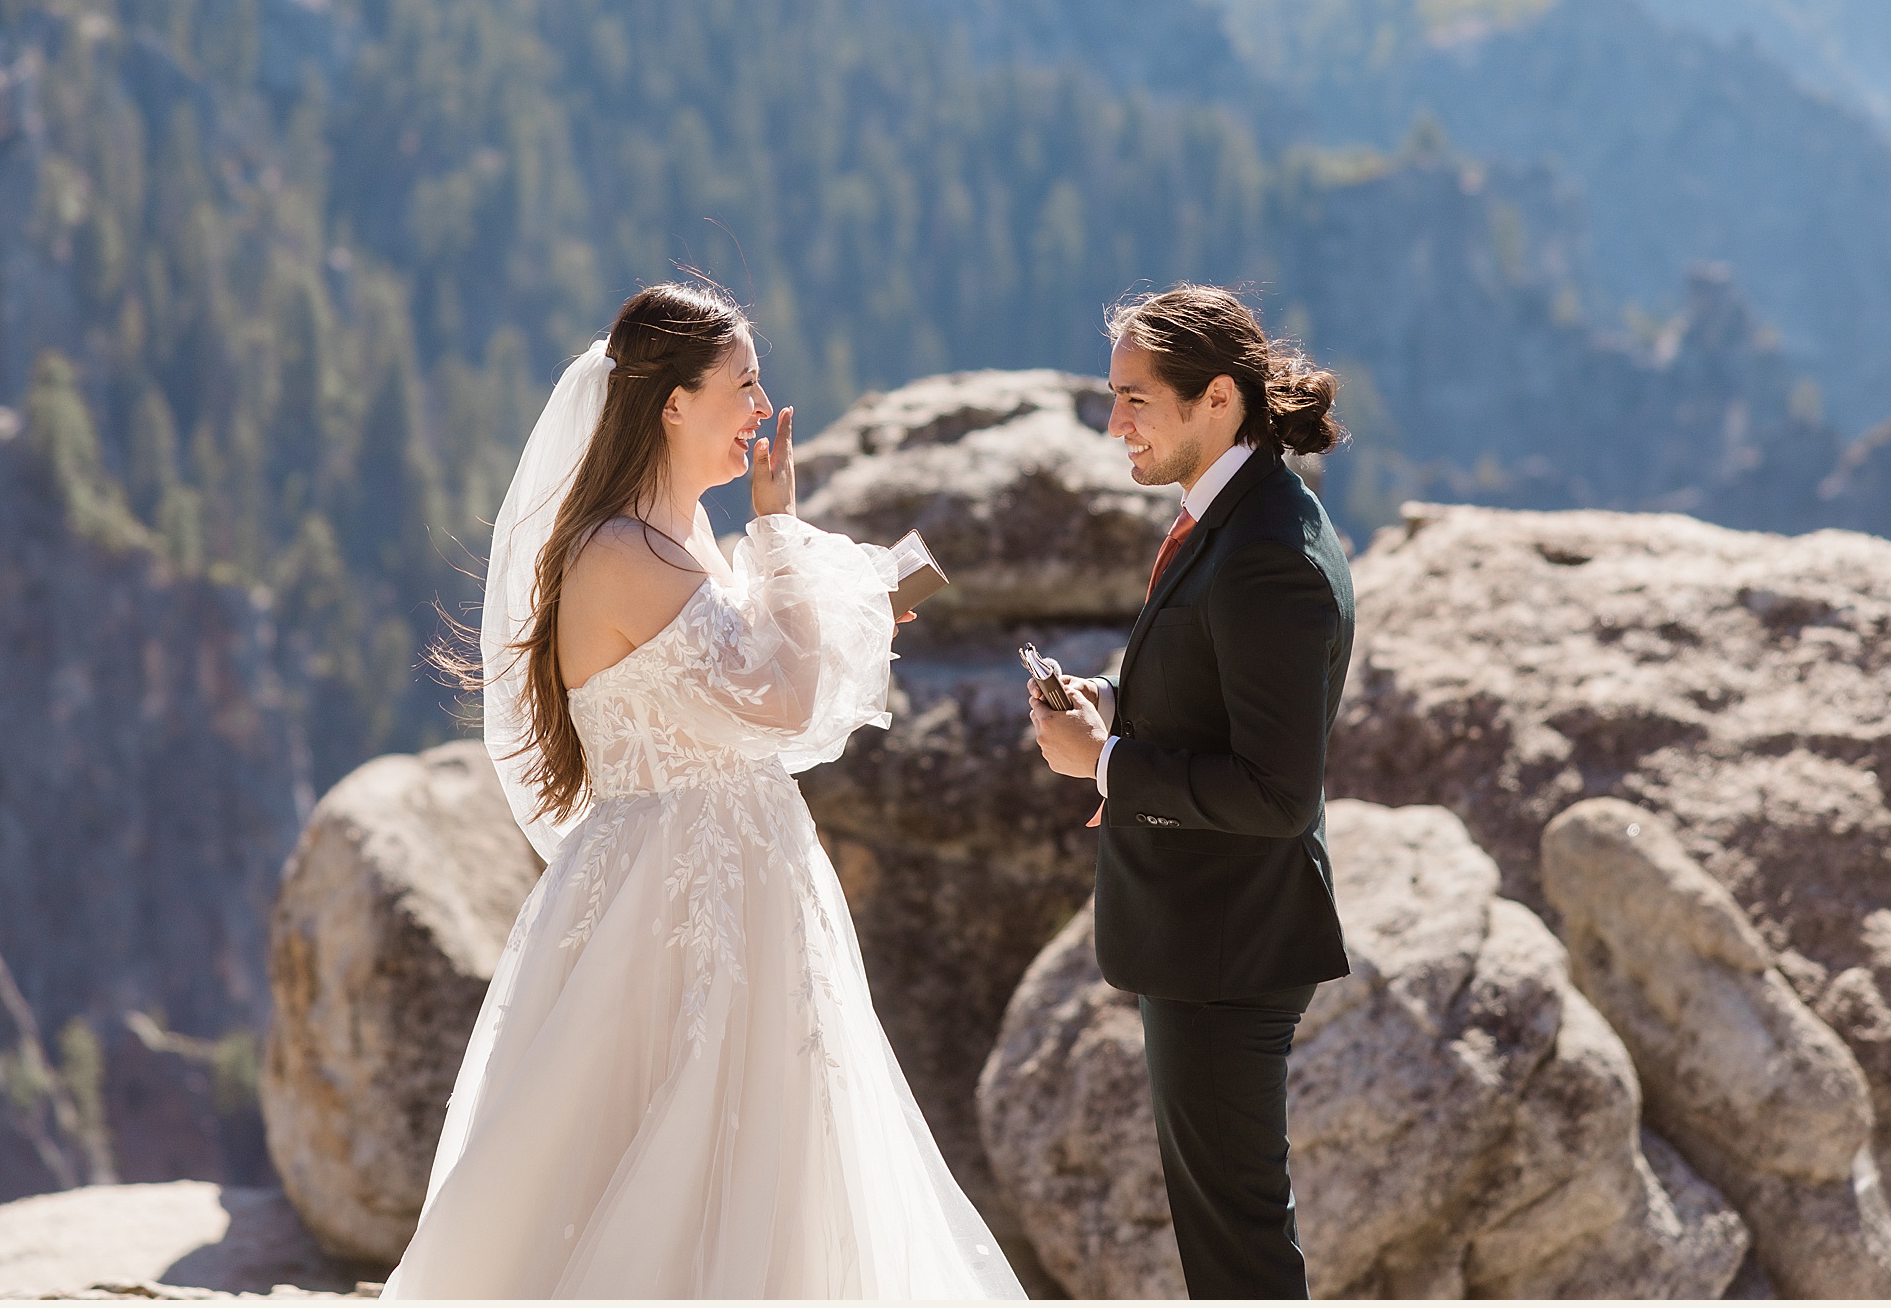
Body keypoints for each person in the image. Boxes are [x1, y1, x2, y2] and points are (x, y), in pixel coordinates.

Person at [384, 280, 1023, 1300]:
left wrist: (830, 587)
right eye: (743, 383)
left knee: (771, 1144)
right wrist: (779, 534)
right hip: (675, 895)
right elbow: (781, 698)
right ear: (672, 402)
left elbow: (765, 681)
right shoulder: (616, 551)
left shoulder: (679, 547)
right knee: (672, 1138)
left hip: (741, 877)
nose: (762, 408)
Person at [1027, 284, 1354, 1300]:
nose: (1114, 421)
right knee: (1231, 1233)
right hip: (1213, 935)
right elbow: (1210, 686)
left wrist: (1106, 762)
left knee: (1240, 1250)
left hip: (1226, 946)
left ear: (1217, 398)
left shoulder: (1266, 555)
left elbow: (1274, 790)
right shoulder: (1235, 514)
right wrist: (1113, 699)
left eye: (1134, 397)